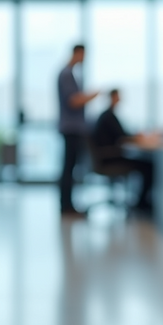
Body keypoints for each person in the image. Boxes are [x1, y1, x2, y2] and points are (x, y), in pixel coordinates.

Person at [92, 89, 155, 212]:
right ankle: (141, 202)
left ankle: (141, 201)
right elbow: (121, 135)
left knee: (143, 163)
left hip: (107, 156)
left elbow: (120, 135)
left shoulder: (106, 115)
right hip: (110, 157)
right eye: (118, 97)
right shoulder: (109, 116)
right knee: (148, 166)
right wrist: (136, 138)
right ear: (112, 98)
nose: (119, 99)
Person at [58, 44, 100, 216]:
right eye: (84, 55)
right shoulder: (67, 74)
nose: (84, 59)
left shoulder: (70, 74)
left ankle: (68, 205)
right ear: (78, 53)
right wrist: (91, 96)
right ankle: (67, 206)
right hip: (71, 128)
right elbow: (73, 101)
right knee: (69, 168)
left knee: (70, 167)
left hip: (73, 128)